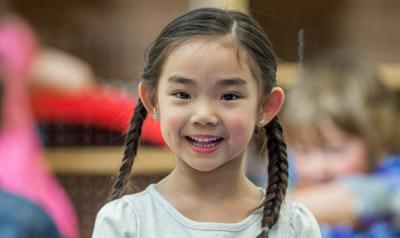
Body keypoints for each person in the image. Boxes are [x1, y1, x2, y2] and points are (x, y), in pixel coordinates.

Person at [92, 7, 320, 238]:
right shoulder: (126, 223)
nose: (204, 115)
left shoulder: (293, 227)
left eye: (229, 96)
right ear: (153, 101)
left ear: (266, 106)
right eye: (182, 94)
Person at [282, 52, 400, 237]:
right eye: (304, 150)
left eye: (334, 150)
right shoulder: (291, 180)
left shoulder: (392, 179)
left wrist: (264, 212)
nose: (318, 167)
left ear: (377, 138)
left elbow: (361, 197)